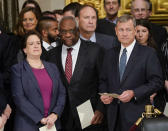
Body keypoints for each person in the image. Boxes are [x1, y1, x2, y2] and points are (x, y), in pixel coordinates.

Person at [99, 14, 163, 131]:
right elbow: (103, 80)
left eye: (128, 29)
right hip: (113, 116)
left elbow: (157, 82)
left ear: (134, 31)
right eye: (121, 30)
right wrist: (104, 94)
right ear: (116, 31)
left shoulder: (148, 53)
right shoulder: (109, 54)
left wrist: (134, 93)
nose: (124, 33)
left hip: (137, 117)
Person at [48, 16, 107, 131]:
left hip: (88, 112)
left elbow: (104, 81)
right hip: (62, 114)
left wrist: (100, 109)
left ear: (78, 30)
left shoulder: (95, 51)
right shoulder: (51, 55)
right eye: (64, 31)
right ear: (59, 33)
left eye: (71, 31)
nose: (68, 35)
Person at [11, 31, 65, 131]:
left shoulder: (52, 67)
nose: (36, 46)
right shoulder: (17, 69)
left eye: (38, 43)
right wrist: (40, 118)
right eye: (31, 44)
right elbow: (19, 98)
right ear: (25, 49)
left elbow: (61, 93)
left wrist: (55, 114)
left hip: (52, 124)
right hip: (27, 125)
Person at [135, 19, 167, 111]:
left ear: (149, 33)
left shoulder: (157, 52)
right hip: (135, 94)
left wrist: (154, 92)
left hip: (156, 94)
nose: (140, 35)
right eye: (137, 31)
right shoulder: (130, 51)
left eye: (144, 31)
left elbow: (162, 77)